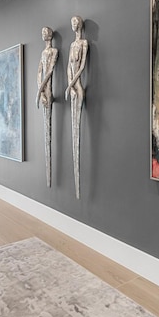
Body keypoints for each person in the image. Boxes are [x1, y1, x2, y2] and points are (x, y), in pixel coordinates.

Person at [65, 16, 88, 199]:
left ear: (79, 24)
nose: (73, 25)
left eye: (75, 22)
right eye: (71, 22)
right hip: (72, 89)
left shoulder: (84, 43)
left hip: (78, 87)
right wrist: (68, 86)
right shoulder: (71, 45)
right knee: (73, 130)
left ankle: (79, 187)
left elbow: (81, 68)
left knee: (77, 130)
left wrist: (72, 85)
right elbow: (68, 67)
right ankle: (76, 187)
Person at [36, 27, 58, 187]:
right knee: (46, 128)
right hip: (44, 92)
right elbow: (39, 72)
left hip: (48, 91)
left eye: (45, 32)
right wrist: (40, 91)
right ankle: (49, 179)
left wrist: (42, 91)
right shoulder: (43, 53)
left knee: (48, 127)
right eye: (42, 32)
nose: (43, 35)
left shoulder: (54, 51)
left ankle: (50, 179)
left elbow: (49, 71)